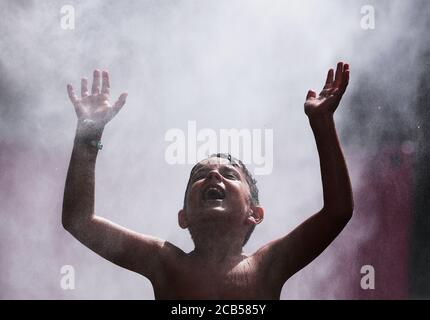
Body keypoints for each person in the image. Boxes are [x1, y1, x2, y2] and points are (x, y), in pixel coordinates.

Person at [63, 62, 353, 299]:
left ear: (255, 213)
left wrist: (322, 122)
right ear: (183, 217)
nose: (213, 174)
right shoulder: (163, 261)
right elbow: (79, 220)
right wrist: (89, 134)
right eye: (199, 176)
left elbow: (338, 211)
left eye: (229, 174)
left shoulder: (268, 265)